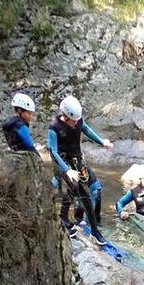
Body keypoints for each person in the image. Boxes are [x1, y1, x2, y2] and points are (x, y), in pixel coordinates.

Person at [47, 95, 113, 243]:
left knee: (93, 188)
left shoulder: (77, 119)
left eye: (78, 119)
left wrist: (102, 142)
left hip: (78, 161)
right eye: (74, 120)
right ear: (64, 115)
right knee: (81, 193)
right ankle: (87, 228)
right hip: (63, 163)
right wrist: (66, 170)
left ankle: (83, 224)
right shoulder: (54, 127)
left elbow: (86, 129)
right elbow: (53, 151)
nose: (76, 122)